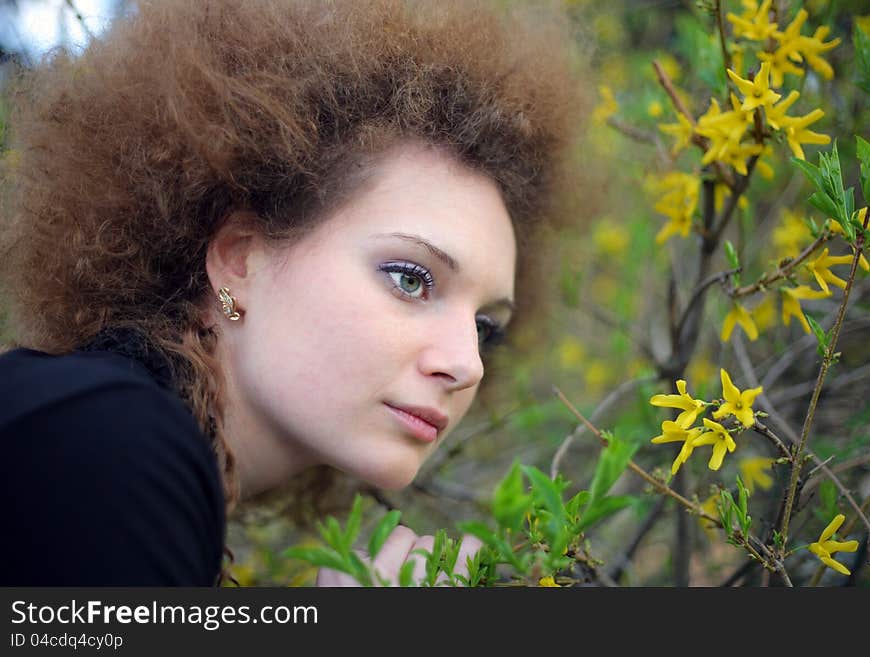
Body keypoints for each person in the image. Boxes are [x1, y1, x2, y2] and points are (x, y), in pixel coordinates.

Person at [0, 0, 588, 585]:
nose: (467, 365)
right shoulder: (103, 443)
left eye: (486, 327)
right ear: (239, 259)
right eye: (411, 279)